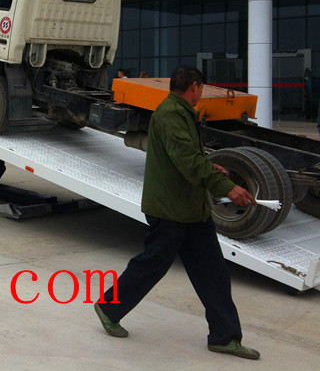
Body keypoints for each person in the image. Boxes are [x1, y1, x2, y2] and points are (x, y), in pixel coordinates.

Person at [94, 64, 260, 360]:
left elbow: (188, 156)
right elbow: (186, 160)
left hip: (191, 210)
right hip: (171, 209)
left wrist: (210, 166)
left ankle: (224, 337)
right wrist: (227, 187)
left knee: (214, 275)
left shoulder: (181, 111)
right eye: (202, 88)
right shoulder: (171, 113)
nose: (201, 93)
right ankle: (109, 308)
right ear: (195, 86)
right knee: (151, 265)